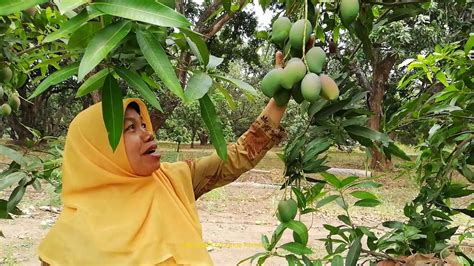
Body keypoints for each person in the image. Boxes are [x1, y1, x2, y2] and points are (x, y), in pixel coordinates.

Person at [38, 53, 288, 264]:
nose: (148, 133)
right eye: (130, 128)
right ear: (98, 150)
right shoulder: (66, 245)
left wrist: (280, 98)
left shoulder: (175, 179)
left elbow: (236, 157)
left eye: (145, 124)